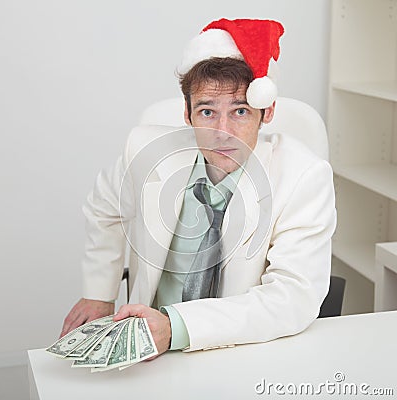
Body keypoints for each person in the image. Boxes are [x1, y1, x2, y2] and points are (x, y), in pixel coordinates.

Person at [60, 18, 337, 357]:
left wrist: (176, 327)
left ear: (267, 112)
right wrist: (99, 292)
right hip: (148, 348)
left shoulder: (304, 176)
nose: (224, 132)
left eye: (240, 111)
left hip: (238, 348)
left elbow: (292, 297)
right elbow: (103, 208)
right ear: (187, 114)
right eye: (207, 111)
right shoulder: (145, 151)